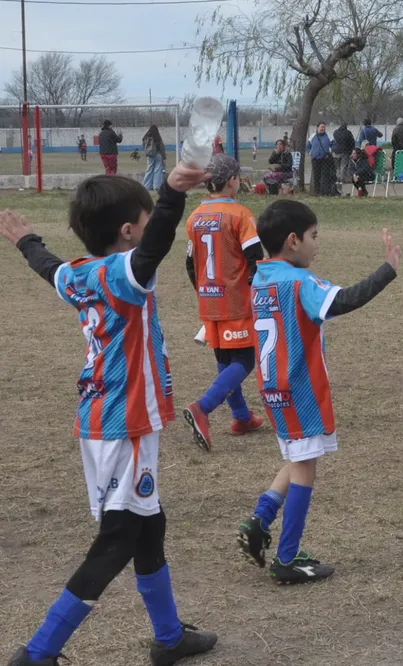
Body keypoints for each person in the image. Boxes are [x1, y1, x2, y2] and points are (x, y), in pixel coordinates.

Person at [0, 165, 218, 666]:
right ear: (127, 232)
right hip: (128, 425)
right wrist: (172, 193)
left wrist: (27, 239)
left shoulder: (79, 274)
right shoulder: (124, 274)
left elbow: (46, 264)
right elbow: (155, 245)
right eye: (144, 220)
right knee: (118, 541)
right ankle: (38, 653)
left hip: (99, 420)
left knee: (149, 525)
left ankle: (168, 638)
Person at [235, 200, 400, 584]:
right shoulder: (298, 282)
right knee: (306, 465)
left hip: (273, 385)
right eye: (313, 237)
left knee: (298, 455)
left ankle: (259, 520)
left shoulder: (261, 277)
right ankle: (287, 557)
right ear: (292, 241)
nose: (316, 245)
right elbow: (344, 300)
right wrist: (388, 270)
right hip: (299, 387)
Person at [182, 154, 266, 451]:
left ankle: (241, 417)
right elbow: (255, 259)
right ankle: (202, 408)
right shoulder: (240, 215)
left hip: (209, 299)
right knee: (243, 360)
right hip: (236, 300)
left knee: (225, 362)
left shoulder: (194, 217)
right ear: (232, 180)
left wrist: (204, 292)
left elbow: (190, 263)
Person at [307, 122, 335, 197]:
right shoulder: (313, 136)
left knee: (325, 175)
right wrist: (311, 153)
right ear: (317, 127)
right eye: (321, 127)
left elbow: (333, 144)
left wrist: (330, 150)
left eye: (324, 127)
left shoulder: (329, 135)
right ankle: (317, 192)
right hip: (315, 159)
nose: (323, 128)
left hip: (325, 159)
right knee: (316, 176)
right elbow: (308, 146)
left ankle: (325, 192)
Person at [142, 125, 167, 191]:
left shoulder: (146, 136)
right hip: (158, 154)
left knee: (149, 169)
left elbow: (144, 145)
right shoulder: (157, 136)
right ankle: (157, 186)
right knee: (158, 170)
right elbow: (161, 147)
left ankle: (146, 186)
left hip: (150, 155)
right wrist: (164, 157)